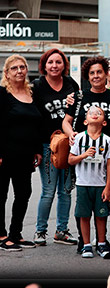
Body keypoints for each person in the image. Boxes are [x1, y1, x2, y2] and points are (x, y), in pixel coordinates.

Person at [32, 47, 79, 247]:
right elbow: (32, 118)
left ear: (64, 65)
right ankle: (40, 231)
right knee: (48, 190)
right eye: (50, 62)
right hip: (46, 144)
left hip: (68, 144)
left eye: (58, 62)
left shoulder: (71, 84)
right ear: (44, 65)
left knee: (66, 190)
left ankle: (62, 231)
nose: (54, 66)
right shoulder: (37, 86)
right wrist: (35, 148)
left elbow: (79, 110)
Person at [0, 55, 44, 253]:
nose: (19, 71)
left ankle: (15, 233)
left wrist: (37, 150)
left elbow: (37, 125)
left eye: (22, 67)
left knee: (23, 194)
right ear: (7, 73)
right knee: (0, 195)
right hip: (5, 154)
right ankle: (1, 236)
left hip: (26, 155)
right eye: (14, 68)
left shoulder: (32, 93)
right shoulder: (2, 94)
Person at [68, 105, 110, 259]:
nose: (95, 114)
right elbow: (70, 160)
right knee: (84, 215)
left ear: (104, 122)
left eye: (99, 113)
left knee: (101, 216)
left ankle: (101, 243)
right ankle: (86, 245)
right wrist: (83, 155)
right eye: (91, 113)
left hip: (100, 184)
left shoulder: (107, 140)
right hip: (83, 184)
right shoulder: (79, 138)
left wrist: (108, 187)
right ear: (85, 121)